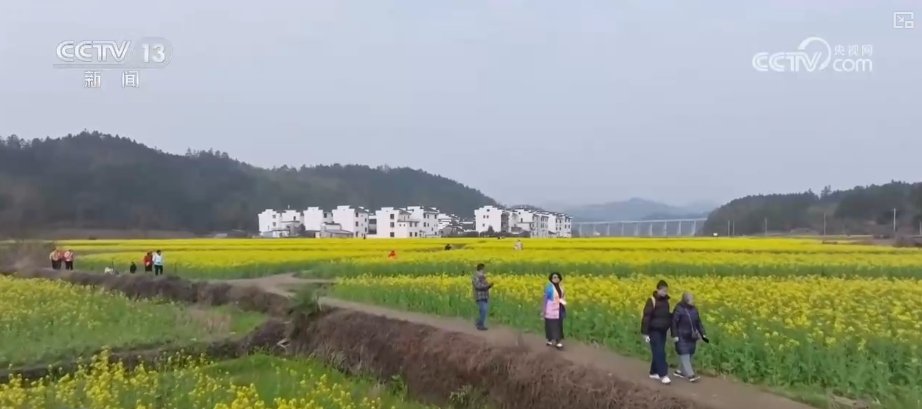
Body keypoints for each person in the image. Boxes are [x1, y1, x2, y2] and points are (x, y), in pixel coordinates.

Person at [641, 280, 673, 384]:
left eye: (666, 291)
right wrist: (645, 333)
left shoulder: (666, 301)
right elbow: (646, 317)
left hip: (662, 330)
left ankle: (653, 372)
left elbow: (666, 315)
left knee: (658, 350)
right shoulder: (651, 301)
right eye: (663, 290)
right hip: (654, 330)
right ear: (658, 290)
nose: (665, 292)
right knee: (660, 352)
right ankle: (663, 375)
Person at [672, 291, 708, 382]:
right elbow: (673, 323)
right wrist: (674, 335)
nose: (693, 301)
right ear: (686, 300)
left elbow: (698, 322)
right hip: (681, 335)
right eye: (691, 299)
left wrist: (703, 333)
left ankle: (679, 371)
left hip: (691, 336)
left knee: (690, 353)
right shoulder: (678, 309)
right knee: (685, 354)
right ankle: (691, 375)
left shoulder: (694, 309)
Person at [542, 272, 566, 349]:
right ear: (551, 279)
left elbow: (562, 297)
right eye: (554, 278)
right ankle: (551, 340)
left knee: (558, 324)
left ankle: (557, 341)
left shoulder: (561, 288)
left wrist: (563, 302)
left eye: (557, 277)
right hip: (550, 309)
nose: (556, 279)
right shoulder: (548, 288)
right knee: (550, 324)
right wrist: (543, 310)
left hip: (559, 308)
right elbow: (545, 299)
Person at [471, 263, 493, 330]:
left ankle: (479, 322)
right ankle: (480, 324)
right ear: (481, 269)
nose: (484, 271)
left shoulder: (483, 276)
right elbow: (478, 286)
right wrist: (487, 286)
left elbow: (485, 284)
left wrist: (489, 285)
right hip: (479, 296)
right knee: (483, 310)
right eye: (483, 269)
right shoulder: (475, 277)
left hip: (485, 296)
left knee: (483, 311)